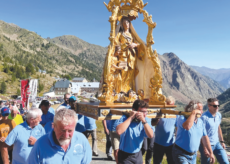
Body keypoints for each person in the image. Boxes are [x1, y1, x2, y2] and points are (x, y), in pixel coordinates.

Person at [27, 108, 92, 164]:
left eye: (70, 131)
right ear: (54, 127)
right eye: (63, 130)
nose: (66, 136)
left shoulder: (82, 140)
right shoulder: (40, 145)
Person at [199, 98, 229, 164]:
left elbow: (218, 128)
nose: (217, 107)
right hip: (207, 145)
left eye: (218, 105)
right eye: (215, 106)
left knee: (225, 162)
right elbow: (200, 134)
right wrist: (204, 148)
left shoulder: (218, 115)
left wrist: (222, 141)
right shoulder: (204, 118)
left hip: (217, 143)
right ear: (209, 106)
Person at [151, 96, 177, 164]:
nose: (170, 107)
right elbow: (152, 123)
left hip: (170, 144)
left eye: (172, 106)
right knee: (157, 162)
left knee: (172, 162)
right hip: (158, 143)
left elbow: (177, 128)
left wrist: (176, 140)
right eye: (169, 105)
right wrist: (157, 120)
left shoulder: (175, 114)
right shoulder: (159, 112)